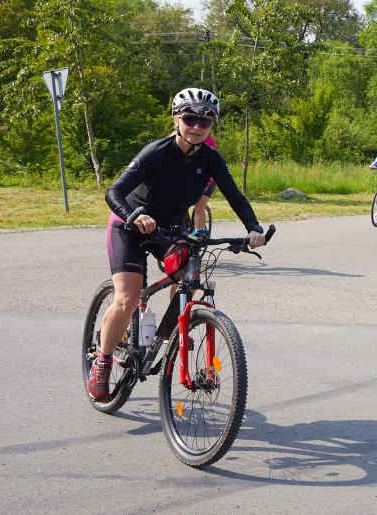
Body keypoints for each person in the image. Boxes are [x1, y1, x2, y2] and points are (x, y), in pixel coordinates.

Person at [87, 87, 267, 401]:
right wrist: (133, 216)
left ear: (212, 126)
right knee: (128, 297)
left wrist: (253, 228)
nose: (196, 126)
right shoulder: (156, 152)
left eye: (204, 122)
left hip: (171, 227)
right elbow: (113, 192)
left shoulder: (211, 158)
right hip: (130, 225)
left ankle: (174, 332)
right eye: (189, 119)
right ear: (176, 119)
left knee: (189, 277)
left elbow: (235, 196)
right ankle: (102, 361)